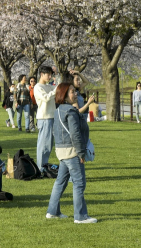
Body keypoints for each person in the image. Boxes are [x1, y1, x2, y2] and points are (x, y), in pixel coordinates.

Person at [47, 83, 97, 224]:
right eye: (72, 92)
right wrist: (81, 153)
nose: (75, 94)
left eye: (75, 91)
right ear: (64, 95)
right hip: (72, 152)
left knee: (60, 182)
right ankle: (80, 216)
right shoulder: (70, 111)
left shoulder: (58, 110)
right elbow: (75, 134)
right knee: (79, 183)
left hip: (61, 152)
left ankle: (52, 211)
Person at [35, 65, 57, 171]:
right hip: (44, 118)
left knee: (48, 145)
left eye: (51, 74)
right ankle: (40, 168)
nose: (50, 76)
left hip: (52, 117)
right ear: (42, 74)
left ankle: (44, 166)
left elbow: (59, 88)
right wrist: (55, 90)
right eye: (48, 74)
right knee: (43, 144)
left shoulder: (49, 86)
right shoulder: (38, 87)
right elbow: (46, 98)